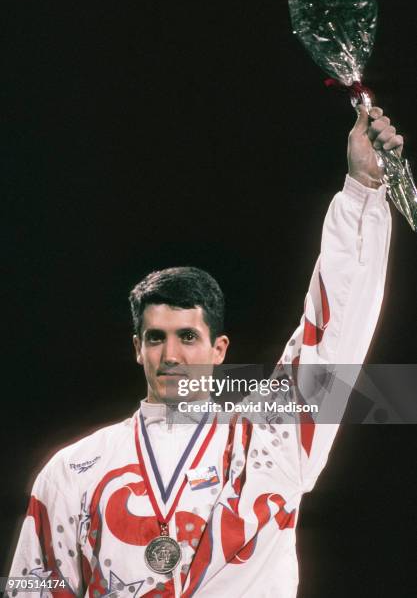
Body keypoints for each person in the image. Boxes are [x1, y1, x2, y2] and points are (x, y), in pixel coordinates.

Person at [8, 106, 402, 598]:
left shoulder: (268, 443)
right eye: (156, 337)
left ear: (219, 349)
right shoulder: (71, 469)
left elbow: (334, 331)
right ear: (137, 349)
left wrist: (361, 190)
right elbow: (29, 586)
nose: (170, 353)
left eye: (187, 336)